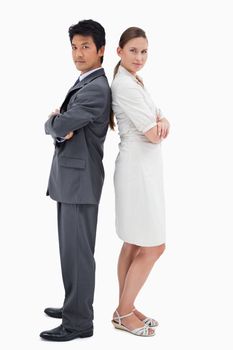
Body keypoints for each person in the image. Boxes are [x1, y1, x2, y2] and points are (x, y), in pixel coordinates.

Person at [40, 19, 111, 342]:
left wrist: (54, 122)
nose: (78, 53)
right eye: (74, 46)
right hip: (71, 181)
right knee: (70, 252)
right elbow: (61, 129)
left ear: (101, 51)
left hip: (80, 183)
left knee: (78, 254)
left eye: (85, 47)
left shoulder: (96, 88)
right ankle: (74, 306)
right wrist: (57, 126)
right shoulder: (85, 81)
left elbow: (60, 125)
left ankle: (79, 321)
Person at [111, 27, 170, 337]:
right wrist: (161, 124)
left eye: (144, 51)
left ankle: (126, 306)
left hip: (142, 170)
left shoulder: (134, 81)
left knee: (134, 241)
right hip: (137, 173)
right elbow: (153, 131)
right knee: (154, 245)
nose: (139, 57)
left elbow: (161, 116)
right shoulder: (125, 86)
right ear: (120, 51)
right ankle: (124, 311)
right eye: (133, 50)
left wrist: (163, 120)